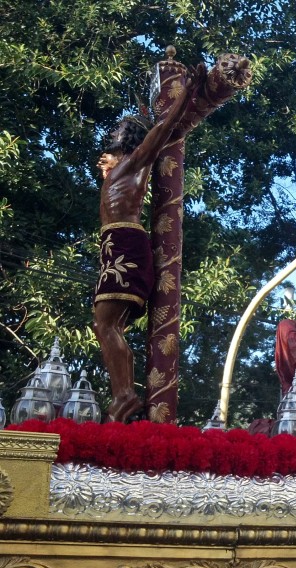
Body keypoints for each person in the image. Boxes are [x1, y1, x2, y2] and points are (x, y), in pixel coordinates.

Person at [93, 77, 193, 422]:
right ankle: (123, 391)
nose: (111, 138)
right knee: (107, 325)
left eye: (118, 132)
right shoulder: (118, 171)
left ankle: (124, 394)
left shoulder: (135, 163)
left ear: (127, 139)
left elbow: (162, 129)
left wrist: (185, 96)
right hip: (114, 245)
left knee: (105, 324)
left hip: (126, 244)